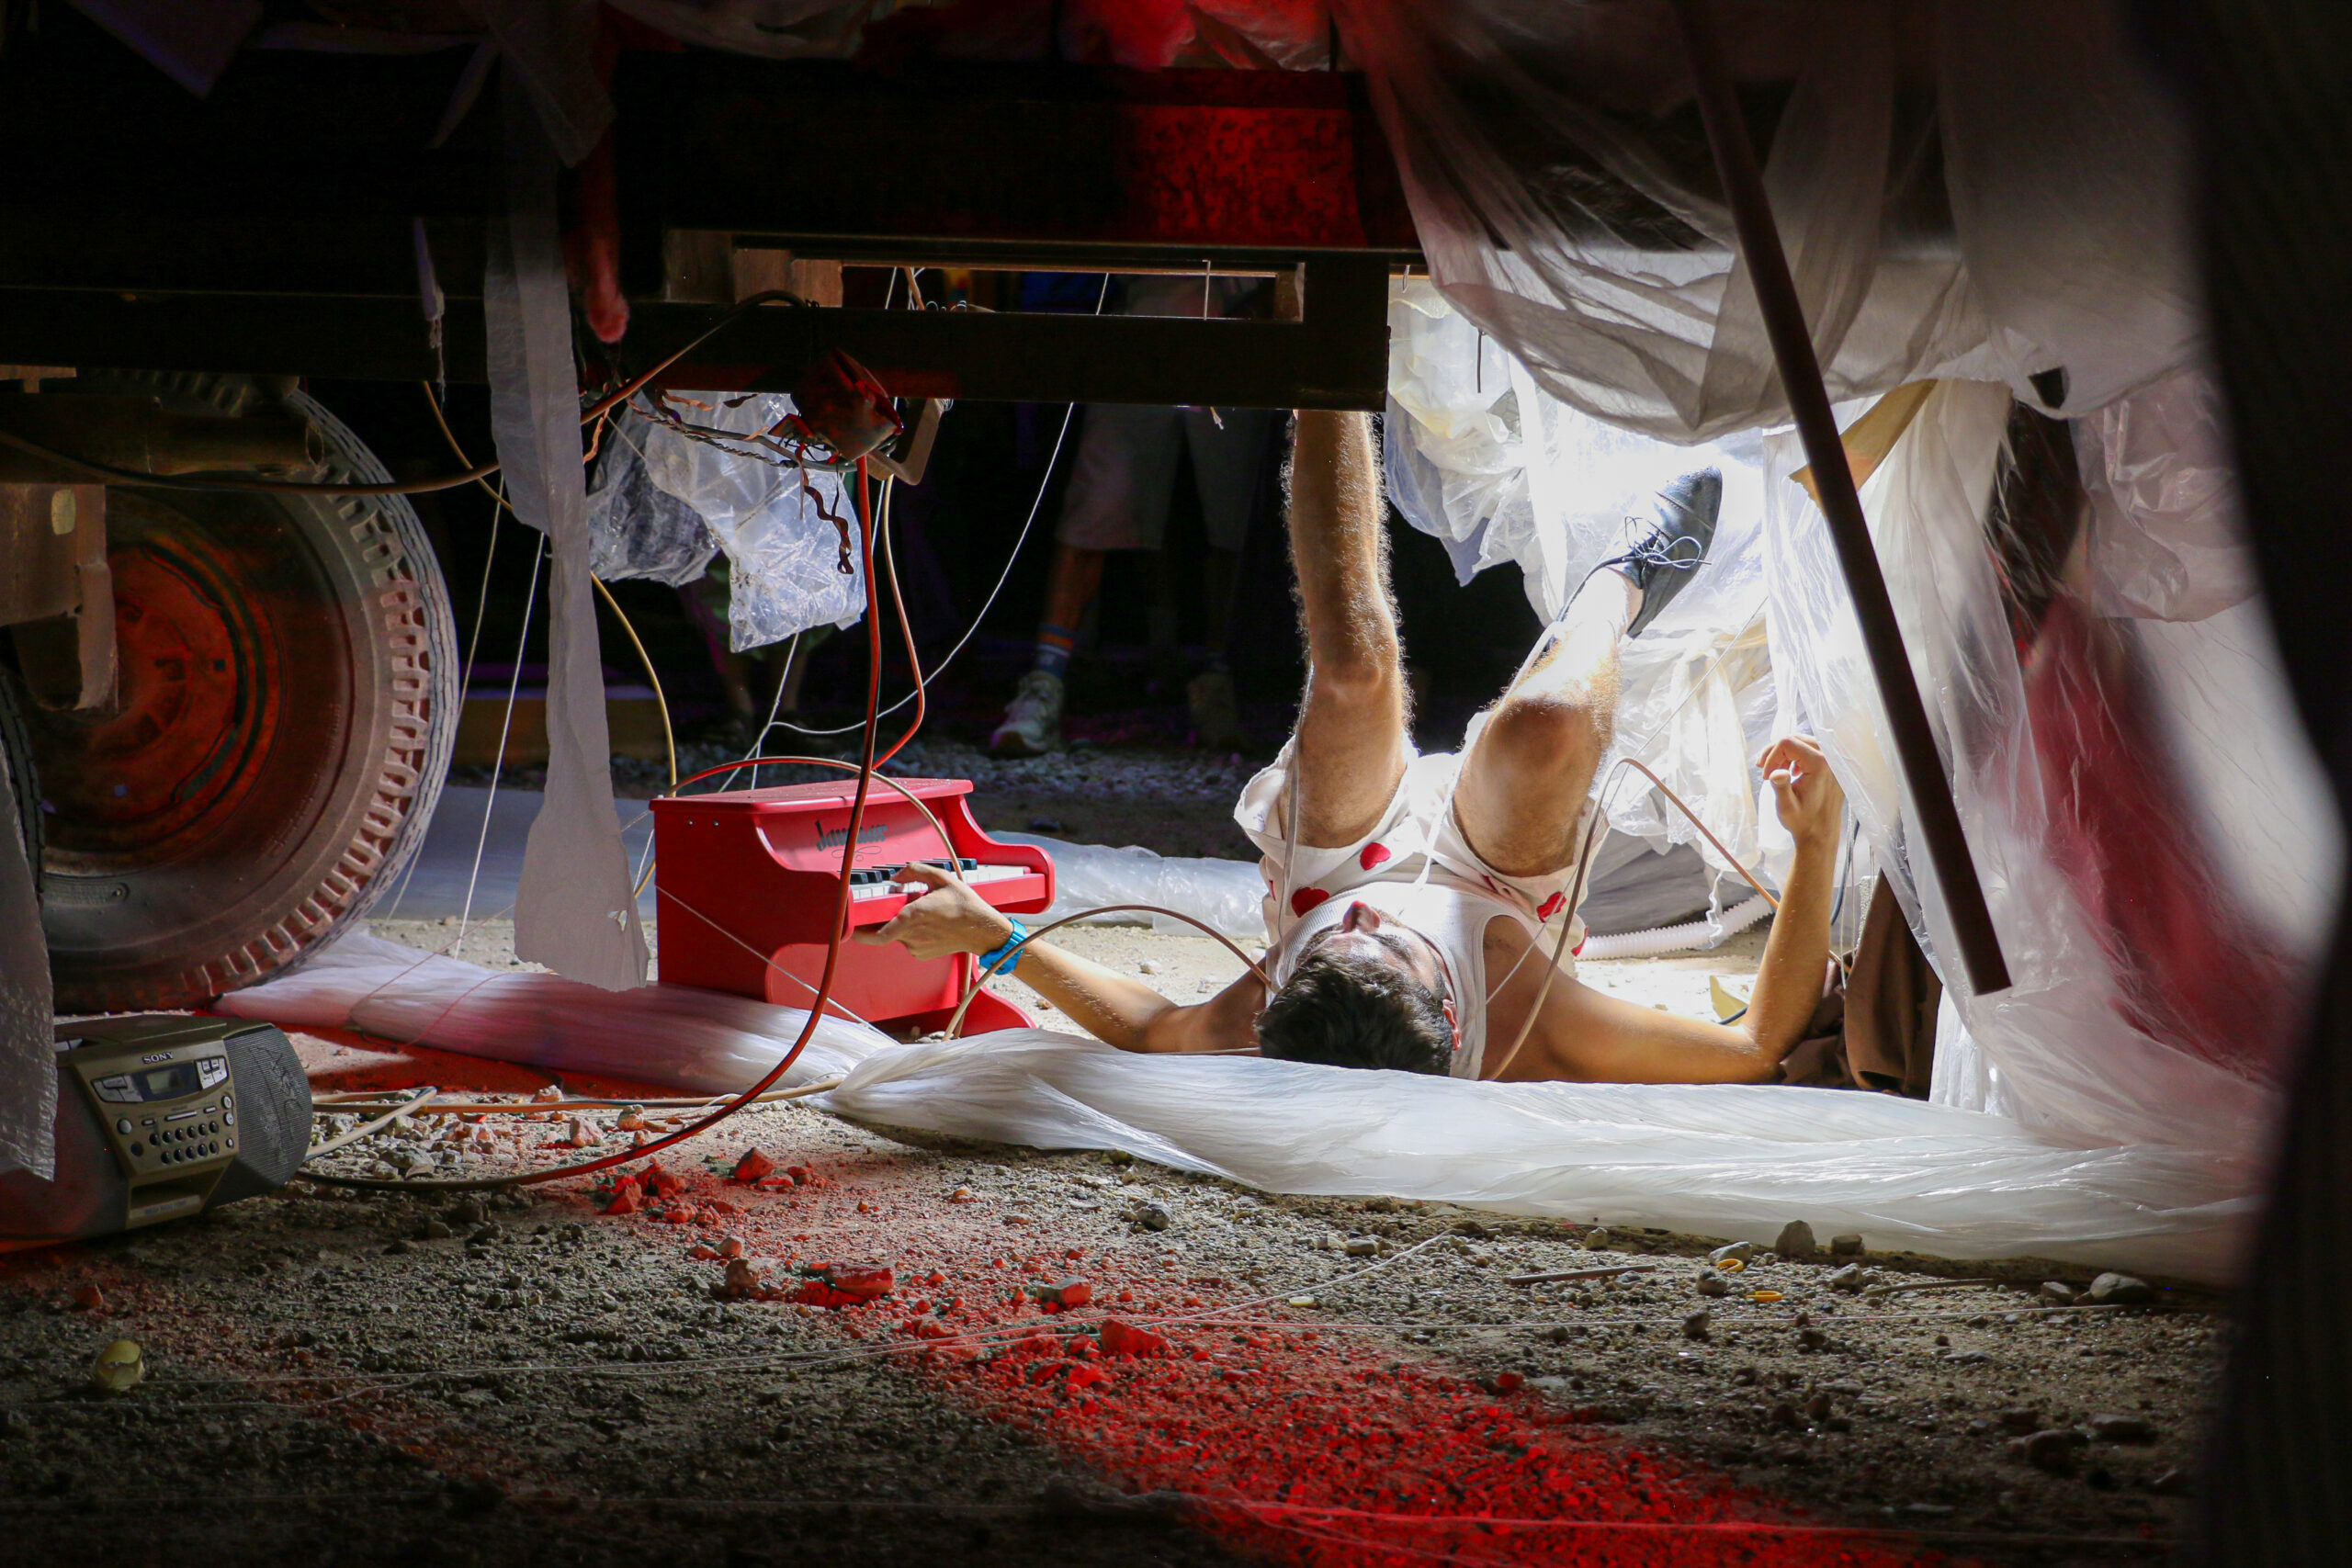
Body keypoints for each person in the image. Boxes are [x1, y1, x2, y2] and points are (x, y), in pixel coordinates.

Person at [873, 412, 1847, 1086]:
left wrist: (993, 937)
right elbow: (1754, 1046)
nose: (1373, 921)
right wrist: (1814, 845)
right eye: (1390, 944)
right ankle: (1624, 582)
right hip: (1497, 880)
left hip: (1334, 862)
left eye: (1348, 939)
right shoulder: (1525, 1028)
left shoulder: (1276, 1013)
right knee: (1543, 725)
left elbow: (1147, 1025)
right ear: (1452, 1013)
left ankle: (1324, 372)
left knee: (1350, 676)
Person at [990, 276, 1275, 758]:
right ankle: (1045, 682)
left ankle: (1218, 681)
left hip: (1235, 332)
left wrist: (1263, 308)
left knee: (1232, 521)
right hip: (1140, 327)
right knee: (1094, 508)